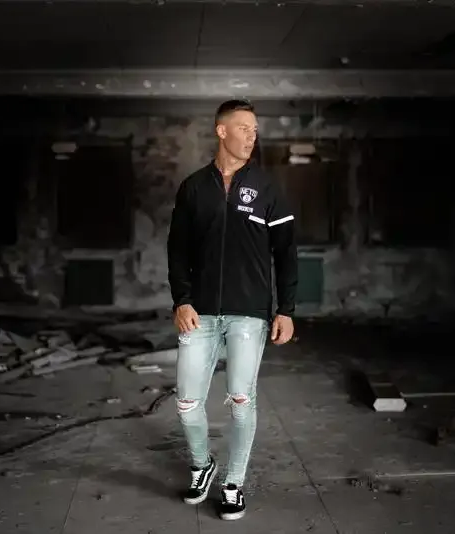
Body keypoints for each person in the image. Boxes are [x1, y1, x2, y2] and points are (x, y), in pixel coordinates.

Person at [166, 99, 298, 520]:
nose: (251, 135)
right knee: (187, 402)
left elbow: (286, 252)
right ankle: (202, 464)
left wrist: (286, 308)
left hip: (248, 312)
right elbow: (177, 250)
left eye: (255, 129)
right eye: (244, 128)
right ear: (221, 131)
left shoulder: (267, 187)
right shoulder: (193, 187)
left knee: (241, 400)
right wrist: (182, 299)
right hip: (199, 312)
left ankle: (234, 484)